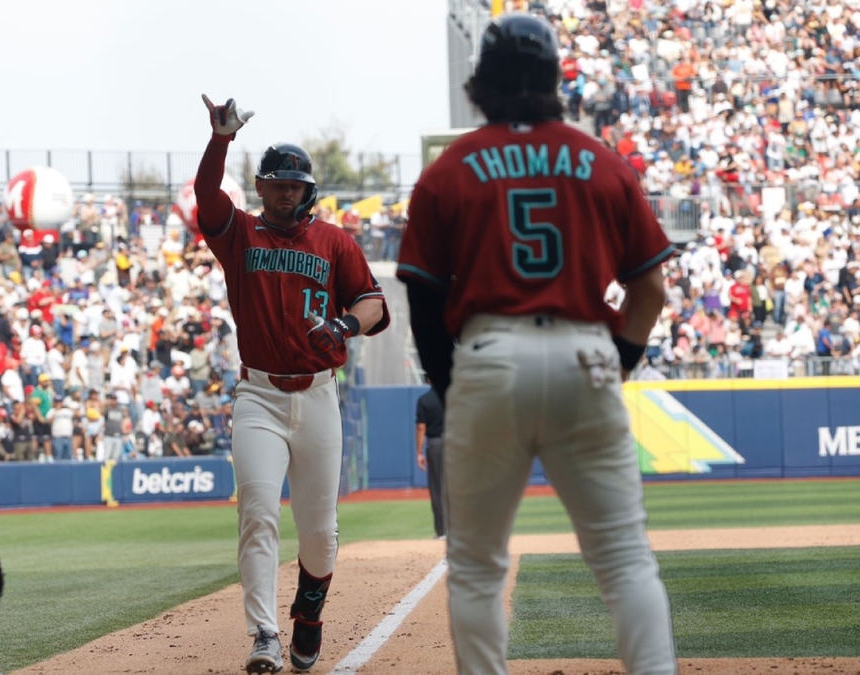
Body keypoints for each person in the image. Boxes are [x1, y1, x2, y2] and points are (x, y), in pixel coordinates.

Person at [396, 14, 678, 675]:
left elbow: (423, 298)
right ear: (553, 77)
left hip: (489, 356)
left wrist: (452, 387)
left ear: (482, 81)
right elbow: (650, 290)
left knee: (476, 567)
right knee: (625, 559)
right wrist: (617, 361)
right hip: (585, 352)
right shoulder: (602, 161)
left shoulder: (448, 170)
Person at [197, 94, 390, 674]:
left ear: (307, 190)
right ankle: (263, 634)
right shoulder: (240, 234)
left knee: (320, 532)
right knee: (257, 513)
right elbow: (207, 195)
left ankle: (309, 612)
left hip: (318, 393)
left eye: (294, 185)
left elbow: (373, 303)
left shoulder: (334, 241)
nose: (285, 193)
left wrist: (345, 324)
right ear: (261, 187)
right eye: (276, 184)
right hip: (258, 396)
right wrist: (220, 140)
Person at [414, 381, 445, 539]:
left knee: (437, 487)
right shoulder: (453, 397)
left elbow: (421, 427)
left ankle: (442, 531)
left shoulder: (424, 400)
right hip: (455, 443)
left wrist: (419, 452)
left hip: (435, 444)